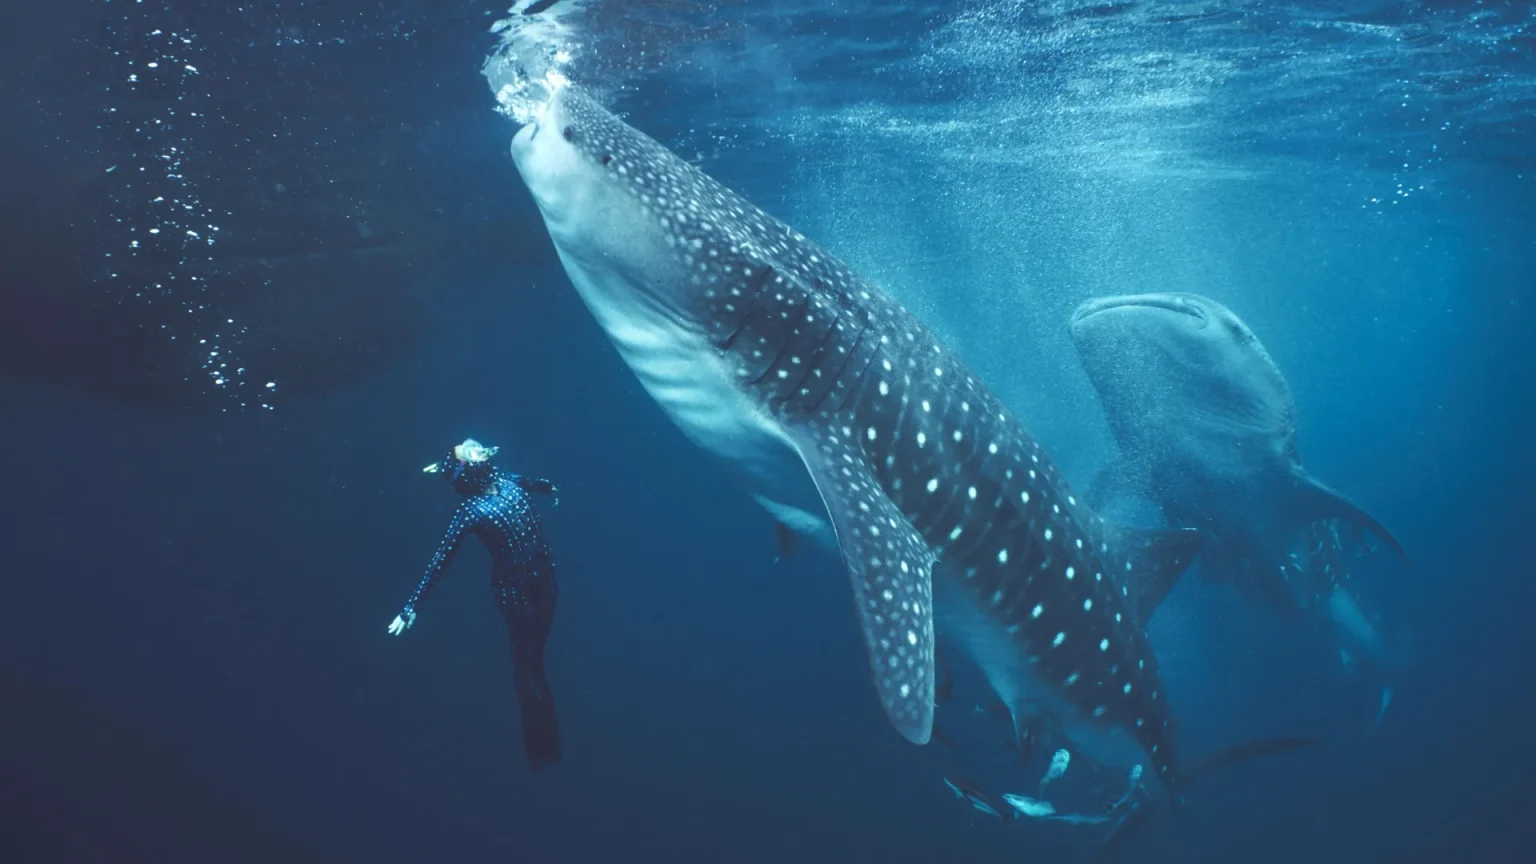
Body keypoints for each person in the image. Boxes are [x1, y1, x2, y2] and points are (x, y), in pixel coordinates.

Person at [388, 438, 563, 770]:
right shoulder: (469, 511)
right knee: (527, 665)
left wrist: (549, 487)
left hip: (545, 581)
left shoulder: (505, 479)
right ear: (466, 471)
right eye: (468, 451)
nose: (476, 446)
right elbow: (441, 558)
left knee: (535, 662)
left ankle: (545, 747)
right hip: (517, 592)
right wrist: (411, 606)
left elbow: (528, 482)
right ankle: (542, 750)